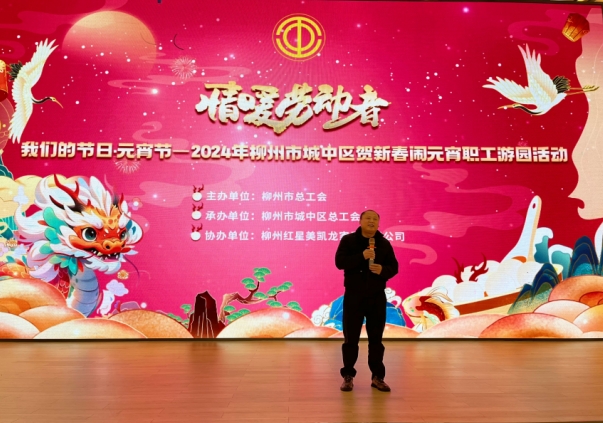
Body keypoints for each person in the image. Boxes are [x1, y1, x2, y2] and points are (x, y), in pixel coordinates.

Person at [335, 209, 399, 392]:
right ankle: (348, 376)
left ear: (378, 223)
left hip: (376, 296)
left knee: (376, 339)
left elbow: (394, 267)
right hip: (354, 296)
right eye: (368, 218)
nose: (372, 221)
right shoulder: (348, 240)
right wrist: (361, 256)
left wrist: (383, 270)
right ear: (360, 221)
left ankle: (378, 377)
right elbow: (340, 262)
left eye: (375, 219)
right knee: (351, 339)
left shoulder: (384, 243)